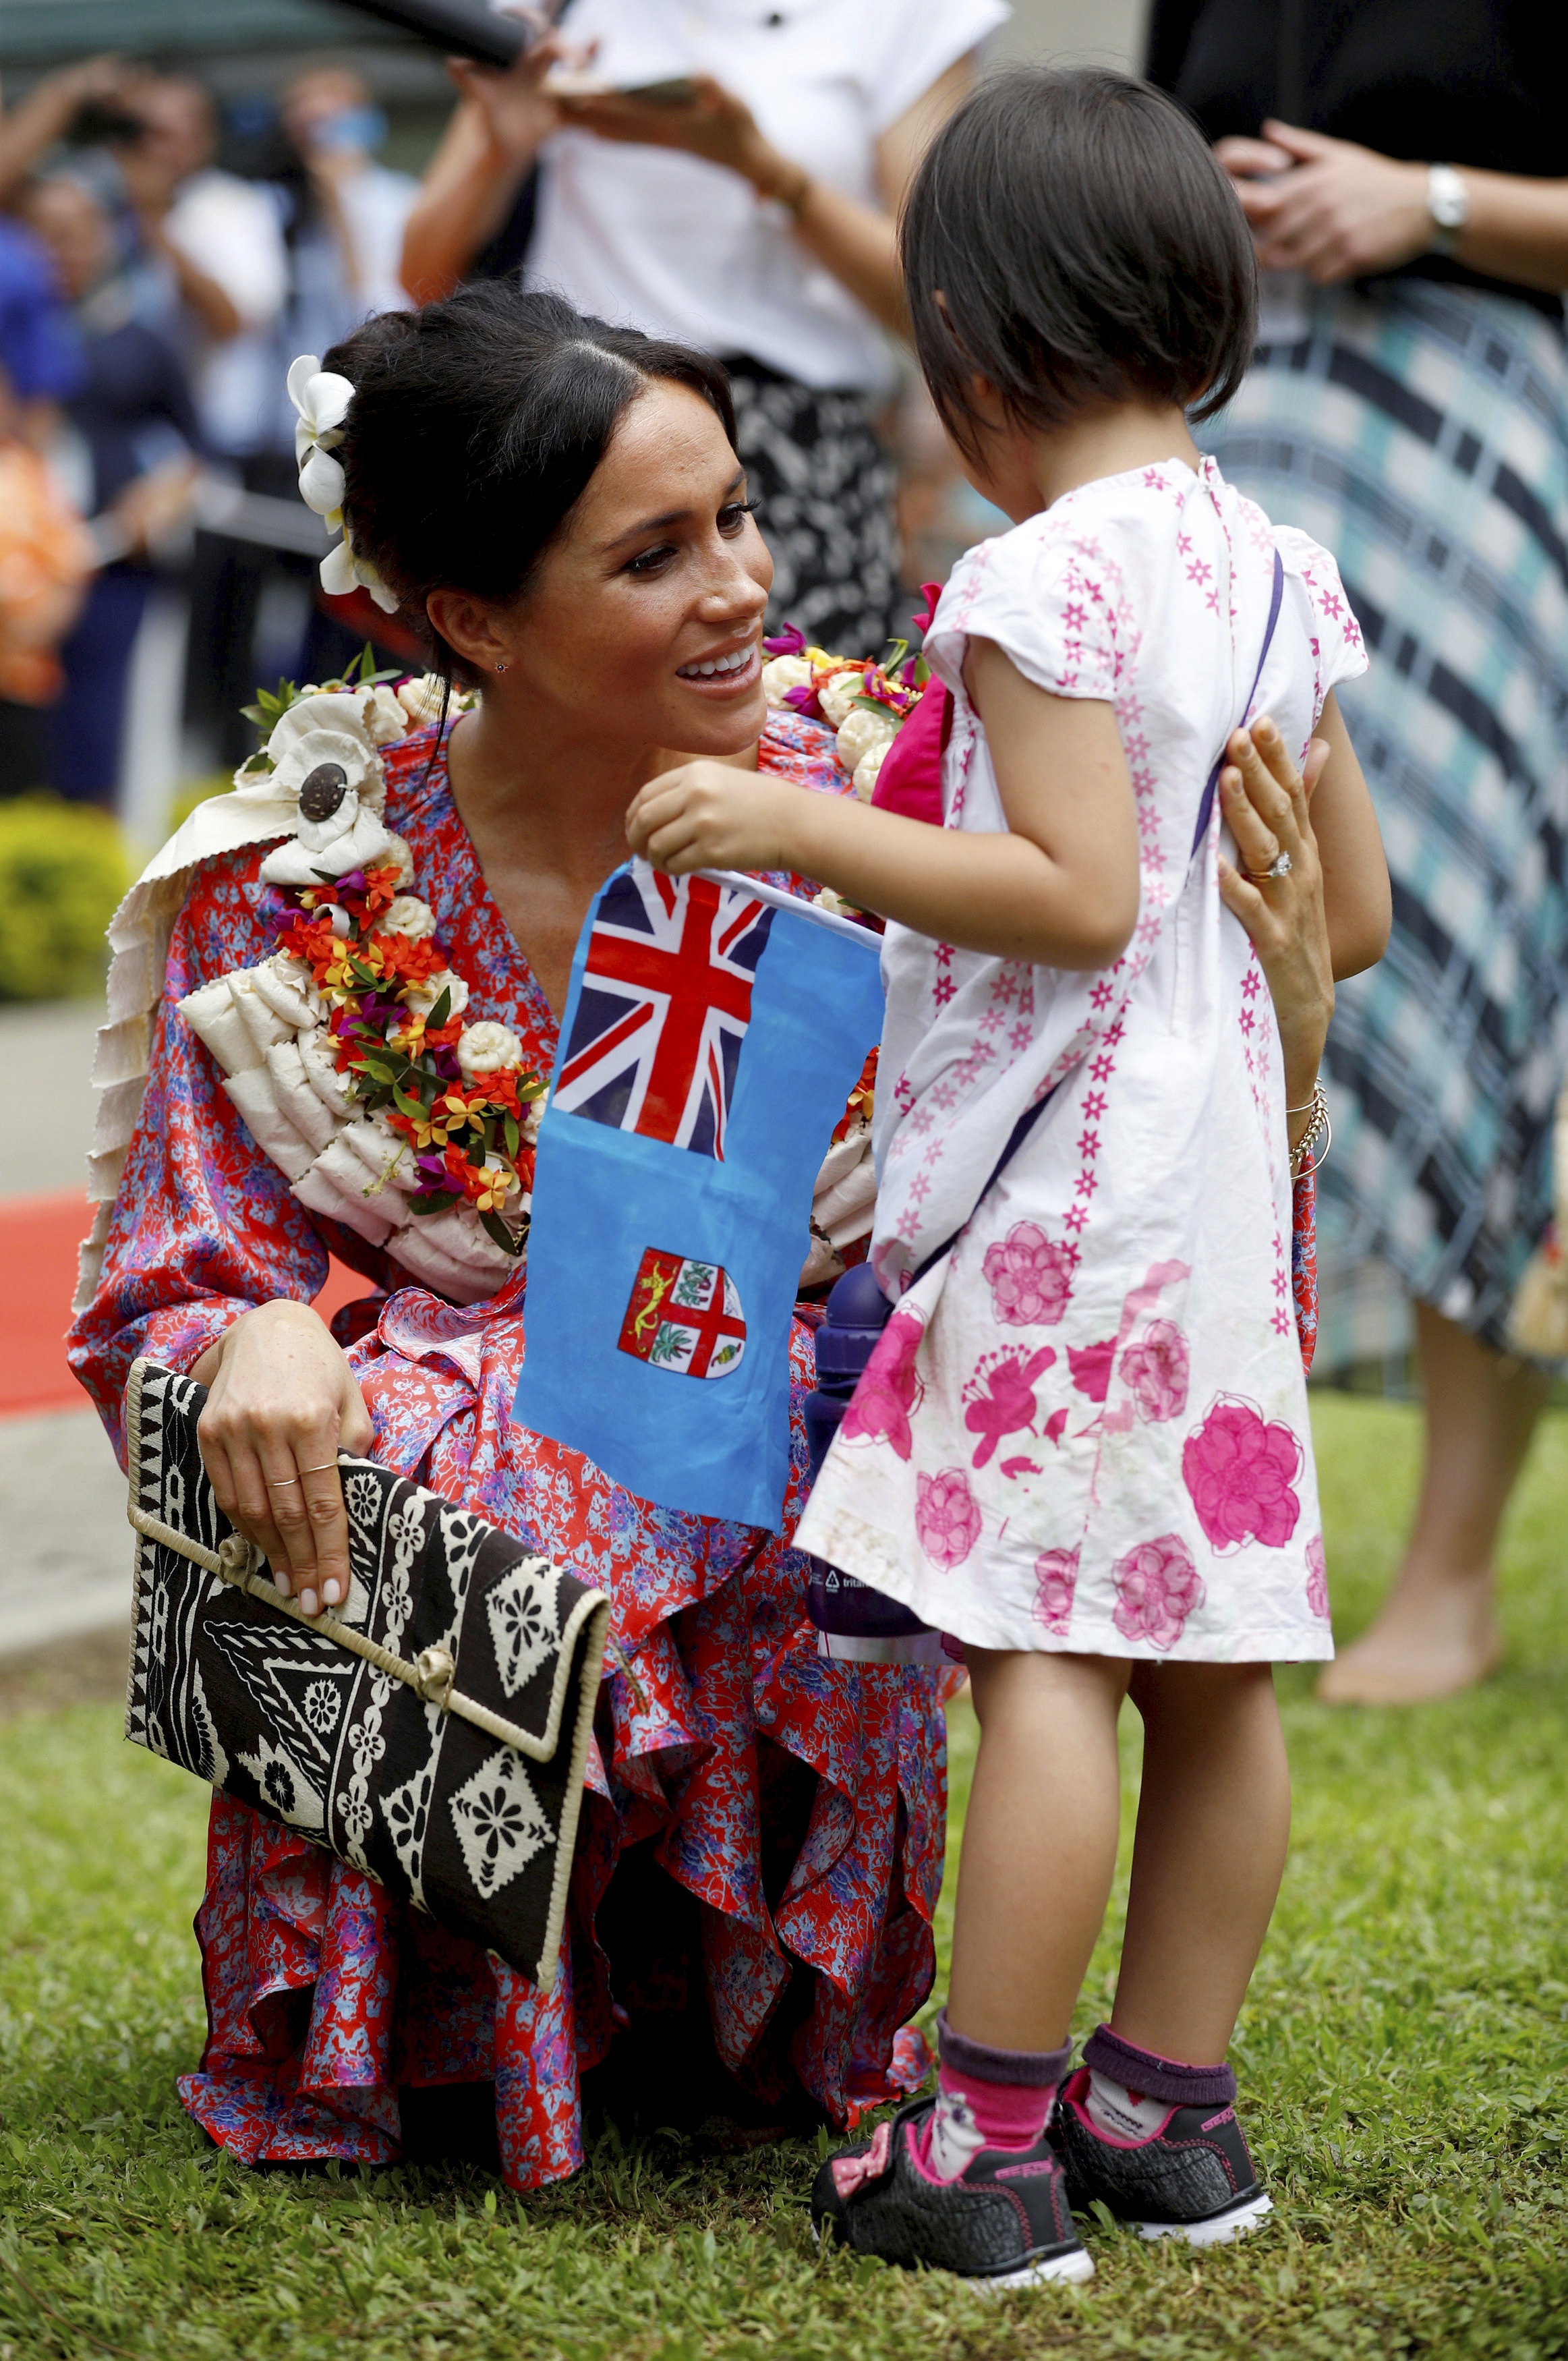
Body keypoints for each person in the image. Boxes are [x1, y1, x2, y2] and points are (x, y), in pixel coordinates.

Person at [68, 276, 1350, 2193]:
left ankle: (791, 2012)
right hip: (483, 1487)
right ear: (471, 618)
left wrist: (1292, 989)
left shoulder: (898, 783)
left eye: (737, 514)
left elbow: (1129, 1072)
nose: (744, 582)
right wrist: (259, 1323)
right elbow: (182, 1266)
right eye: (656, 553)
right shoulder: (302, 871)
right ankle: (451, 2011)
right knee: (452, 1409)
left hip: (795, 1425)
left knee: (707, 1402)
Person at [626, 70, 1390, 2280]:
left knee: (1041, 1654)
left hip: (1068, 1198)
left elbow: (1061, 889)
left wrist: (792, 824)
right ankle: (1170, 2115)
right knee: (1208, 1660)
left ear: (961, 336)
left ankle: (980, 2151)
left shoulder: (1037, 577)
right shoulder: (1278, 569)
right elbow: (1331, 920)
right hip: (1220, 1185)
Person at [1146, 0, 1568, 1705]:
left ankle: (1450, 1569)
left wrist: (1435, 203)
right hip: (1249, 418)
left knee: (1470, 979)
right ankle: (1173, 1511)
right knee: (1189, 950)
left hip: (1496, 435)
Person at [399, 0, 1007, 653]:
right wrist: (502, 144)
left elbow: (942, 302)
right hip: (572, 430)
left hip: (787, 458)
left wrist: (758, 168)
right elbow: (421, 272)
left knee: (781, 729)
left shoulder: (907, 15)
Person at [19, 173, 200, 805]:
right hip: (20, 575)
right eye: (45, 232)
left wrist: (163, 499)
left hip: (111, 566)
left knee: (100, 736)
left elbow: (197, 448)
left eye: (77, 231)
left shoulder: (138, 337)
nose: (61, 246)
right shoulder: (16, 332)